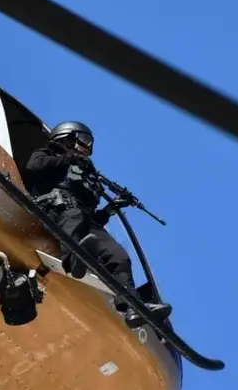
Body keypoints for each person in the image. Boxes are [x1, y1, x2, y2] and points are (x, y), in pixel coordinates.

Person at [22, 121, 171, 328]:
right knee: (74, 216)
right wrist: (68, 158)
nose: (87, 147)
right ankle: (73, 258)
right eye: (83, 141)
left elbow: (92, 218)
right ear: (67, 137)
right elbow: (33, 166)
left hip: (84, 219)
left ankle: (131, 306)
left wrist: (112, 209)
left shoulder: (86, 171)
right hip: (57, 211)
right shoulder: (48, 154)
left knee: (119, 256)